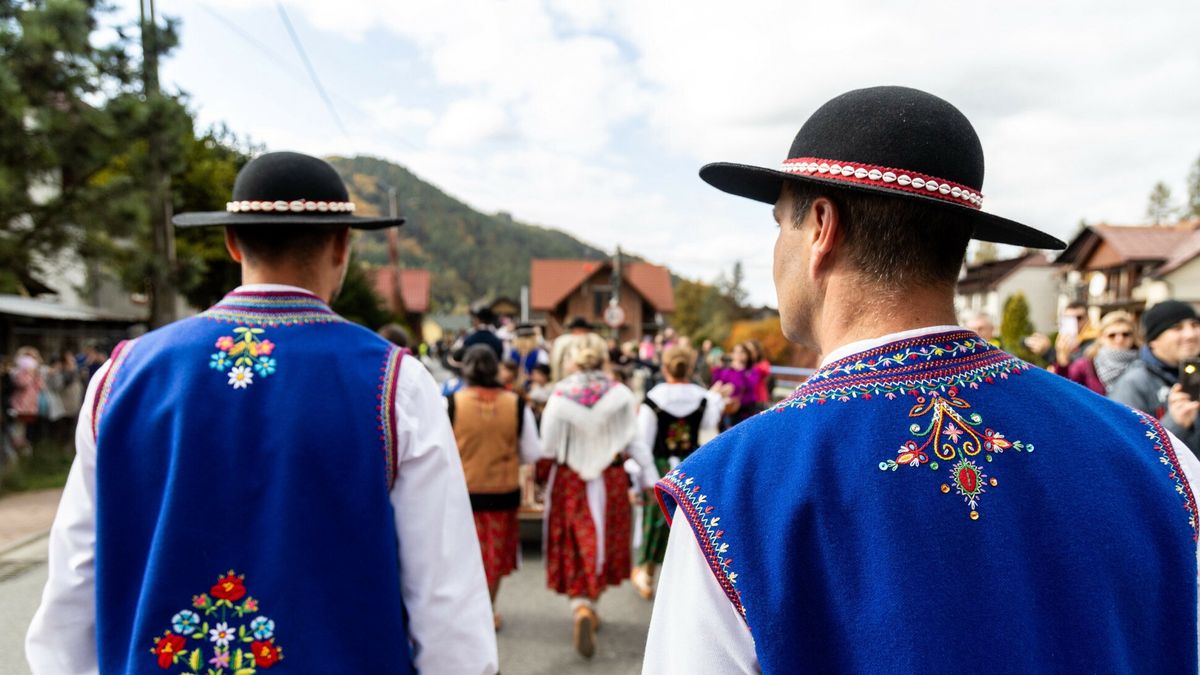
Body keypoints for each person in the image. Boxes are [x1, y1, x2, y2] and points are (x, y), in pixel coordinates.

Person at [643, 86, 1200, 673]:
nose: (776, 248)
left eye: (782, 222)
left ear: (822, 228)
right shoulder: (1157, 456)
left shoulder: (734, 491)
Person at [26, 151, 498, 674]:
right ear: (342, 244)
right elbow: (445, 598)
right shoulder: (394, 385)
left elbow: (74, 577)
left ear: (233, 242)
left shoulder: (120, 377)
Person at [539, 343, 657, 658]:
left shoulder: (560, 395)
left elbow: (547, 447)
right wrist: (650, 480)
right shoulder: (619, 394)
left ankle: (581, 606)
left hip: (571, 480)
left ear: (575, 365)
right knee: (604, 543)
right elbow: (636, 443)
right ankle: (592, 605)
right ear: (603, 365)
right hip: (611, 477)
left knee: (577, 543)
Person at [446, 345, 542, 630]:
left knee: (463, 556)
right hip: (502, 492)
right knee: (495, 556)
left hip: (463, 493)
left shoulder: (451, 403)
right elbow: (532, 452)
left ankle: (465, 612)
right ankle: (487, 608)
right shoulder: (515, 403)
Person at [629, 345, 722, 600]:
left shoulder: (652, 399)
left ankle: (646, 573)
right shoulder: (703, 398)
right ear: (690, 367)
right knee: (688, 523)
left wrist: (639, 478)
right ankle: (684, 581)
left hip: (659, 467)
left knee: (654, 520)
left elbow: (643, 441)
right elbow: (707, 426)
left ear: (664, 367)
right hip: (689, 466)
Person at [1108, 300, 1200, 454]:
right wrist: (1175, 424)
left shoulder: (1194, 374)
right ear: (1153, 341)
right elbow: (1125, 451)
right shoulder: (1133, 383)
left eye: (1194, 325)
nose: (1190, 334)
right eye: (1177, 328)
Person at [1065, 310, 1138, 395]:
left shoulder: (1142, 364)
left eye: (1125, 334)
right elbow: (1065, 389)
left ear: (1133, 337)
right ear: (1101, 337)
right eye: (1112, 335)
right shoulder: (1085, 365)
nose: (1119, 339)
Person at [710, 342, 762, 429]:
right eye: (736, 352)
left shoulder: (752, 371)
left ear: (747, 355)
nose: (738, 355)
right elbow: (717, 382)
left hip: (746, 410)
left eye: (742, 352)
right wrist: (718, 368)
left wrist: (740, 371)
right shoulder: (728, 370)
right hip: (729, 409)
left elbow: (750, 386)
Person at [549, 316, 607, 382]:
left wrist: (556, 380)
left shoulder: (562, 341)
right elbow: (605, 360)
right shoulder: (597, 339)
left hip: (568, 380)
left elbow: (556, 361)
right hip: (594, 380)